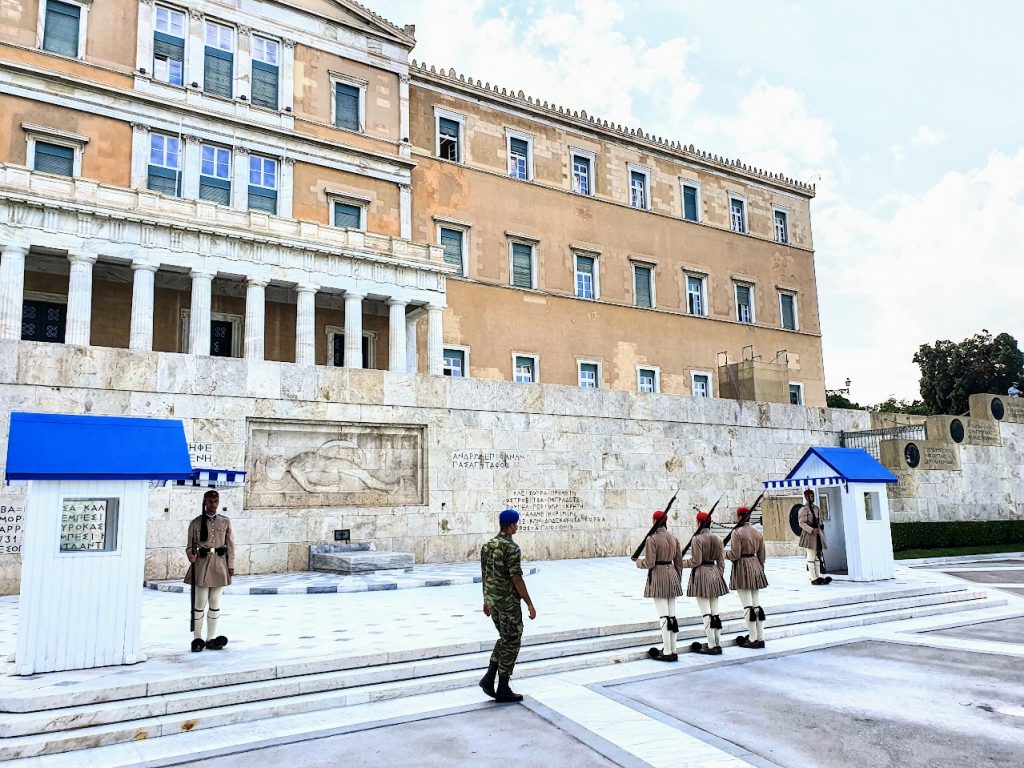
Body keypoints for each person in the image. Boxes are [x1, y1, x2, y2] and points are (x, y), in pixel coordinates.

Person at [479, 509, 536, 703]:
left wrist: (486, 600)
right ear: (511, 525)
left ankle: (489, 679)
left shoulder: (488, 546)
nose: (517, 526)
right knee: (512, 641)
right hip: (508, 604)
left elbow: (485, 575)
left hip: (494, 602)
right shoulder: (511, 548)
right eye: (516, 523)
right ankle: (502, 686)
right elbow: (516, 578)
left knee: (505, 638)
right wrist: (529, 602)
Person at [184, 490, 235, 651]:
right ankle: (197, 638)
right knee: (200, 603)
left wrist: (231, 565)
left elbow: (230, 545)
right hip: (202, 565)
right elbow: (190, 546)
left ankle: (211, 638)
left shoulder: (225, 522)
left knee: (215, 603)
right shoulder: (196, 523)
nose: (213, 504)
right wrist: (191, 555)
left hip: (219, 565)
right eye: (210, 501)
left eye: (216, 501)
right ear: (204, 502)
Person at [633, 510, 684, 661]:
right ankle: (673, 649)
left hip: (659, 575)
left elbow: (649, 563)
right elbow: (679, 563)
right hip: (672, 574)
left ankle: (667, 652)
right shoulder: (674, 537)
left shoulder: (652, 539)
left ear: (654, 521)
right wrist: (677, 579)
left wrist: (638, 562)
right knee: (672, 616)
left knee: (664, 616)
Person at [681, 510, 729, 655]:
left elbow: (696, 561)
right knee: (715, 612)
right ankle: (717, 643)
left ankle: (711, 644)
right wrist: (717, 575)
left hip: (701, 573)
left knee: (706, 613)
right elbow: (721, 563)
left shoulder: (697, 539)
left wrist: (680, 564)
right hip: (714, 572)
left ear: (699, 523)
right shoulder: (718, 539)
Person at [725, 507, 768, 649]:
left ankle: (753, 638)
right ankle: (760, 637)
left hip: (743, 566)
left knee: (747, 606)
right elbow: (762, 555)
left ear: (739, 516)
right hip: (755, 565)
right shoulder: (757, 532)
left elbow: (735, 555)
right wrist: (760, 568)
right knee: (756, 605)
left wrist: (723, 554)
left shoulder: (737, 532)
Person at [798, 489, 831, 585]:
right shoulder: (804, 510)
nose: (813, 498)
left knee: (817, 556)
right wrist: (812, 530)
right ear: (806, 497)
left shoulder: (816, 508)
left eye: (813, 496)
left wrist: (820, 528)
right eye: (811, 496)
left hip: (817, 535)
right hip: (809, 535)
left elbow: (819, 520)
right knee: (811, 556)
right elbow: (801, 523)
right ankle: (813, 578)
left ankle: (818, 576)